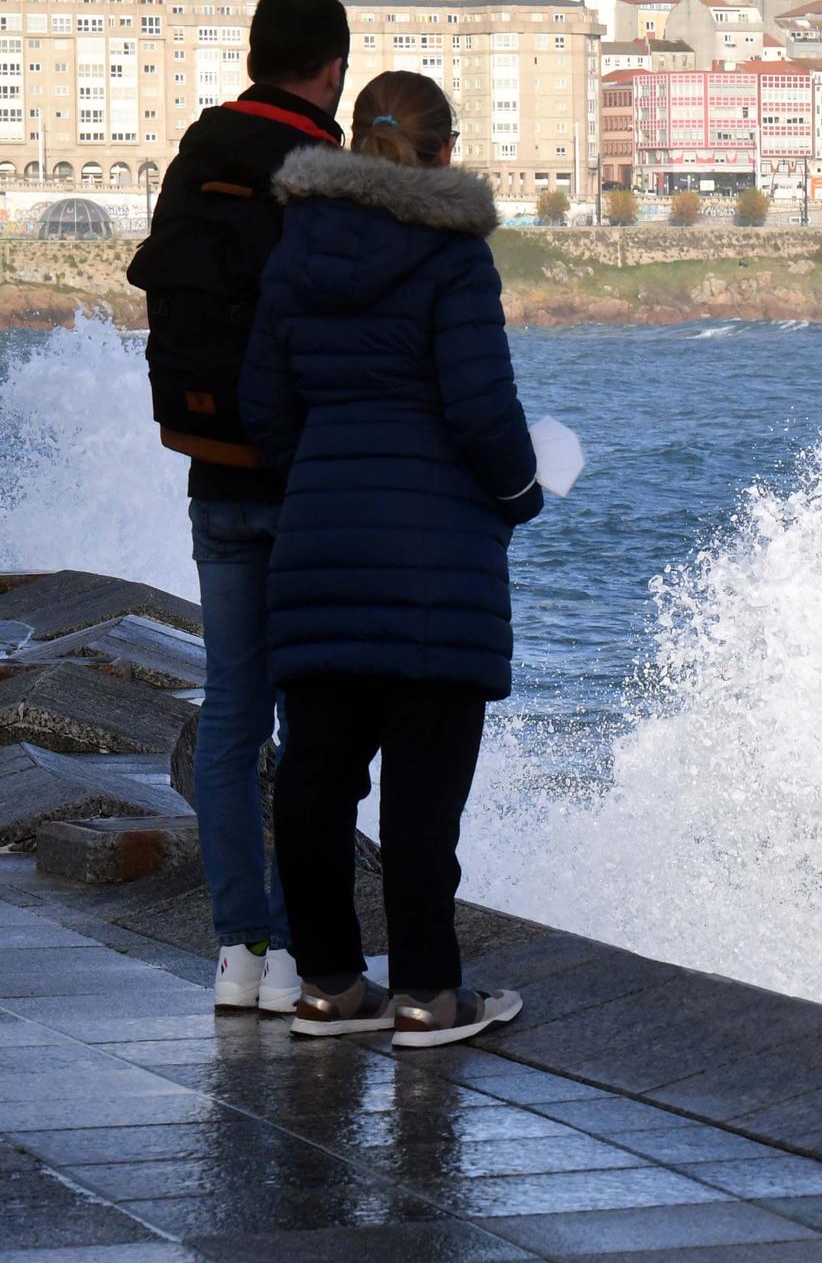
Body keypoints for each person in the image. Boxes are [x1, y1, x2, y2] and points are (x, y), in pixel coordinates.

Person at [239, 71, 543, 1046]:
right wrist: (517, 494)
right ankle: (425, 995)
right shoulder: (453, 258)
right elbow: (480, 410)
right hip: (433, 560)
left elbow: (264, 407)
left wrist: (324, 474)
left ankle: (328, 987)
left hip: (319, 544)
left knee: (317, 780)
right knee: (421, 797)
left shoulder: (297, 247)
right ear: (443, 151)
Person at [127, 0, 351, 1014]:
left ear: (254, 57)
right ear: (332, 69)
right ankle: (313, 958)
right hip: (306, 484)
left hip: (210, 465)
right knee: (316, 730)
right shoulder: (325, 173)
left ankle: (238, 955)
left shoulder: (194, 158)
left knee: (230, 714)